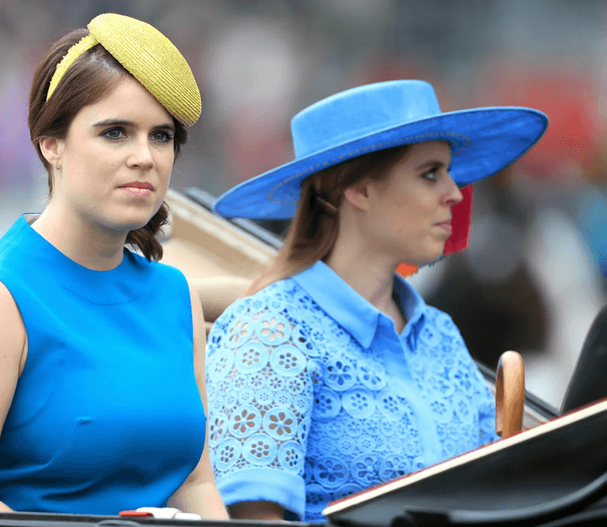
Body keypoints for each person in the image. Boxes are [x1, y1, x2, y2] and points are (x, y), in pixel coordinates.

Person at [0, 13, 227, 518]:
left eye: (161, 136)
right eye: (115, 133)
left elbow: (196, 484)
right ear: (51, 144)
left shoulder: (176, 294)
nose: (144, 157)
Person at [205, 79, 548, 522]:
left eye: (448, 172)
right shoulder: (269, 329)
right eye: (430, 174)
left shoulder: (440, 334)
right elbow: (254, 519)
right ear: (359, 190)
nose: (456, 194)